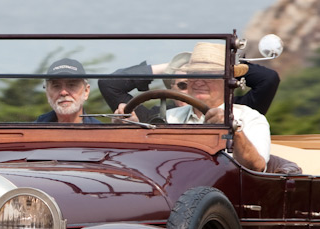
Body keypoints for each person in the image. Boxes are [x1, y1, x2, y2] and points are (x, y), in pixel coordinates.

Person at [109, 43, 271, 171]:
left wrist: (235, 131)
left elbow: (256, 166)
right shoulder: (169, 117)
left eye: (209, 76)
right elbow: (150, 160)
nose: (199, 81)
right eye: (194, 75)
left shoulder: (250, 119)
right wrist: (129, 129)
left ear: (227, 82)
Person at [98, 45, 280, 122]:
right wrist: (168, 67)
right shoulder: (160, 117)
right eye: (183, 85)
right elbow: (110, 84)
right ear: (170, 89)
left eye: (205, 79)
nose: (196, 85)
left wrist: (222, 68)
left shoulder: (239, 110)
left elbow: (268, 79)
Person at [36, 58, 102, 124]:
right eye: (56, 86)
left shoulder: (101, 132)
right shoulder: (32, 131)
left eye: (71, 85)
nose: (63, 92)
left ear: (86, 91)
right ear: (47, 92)